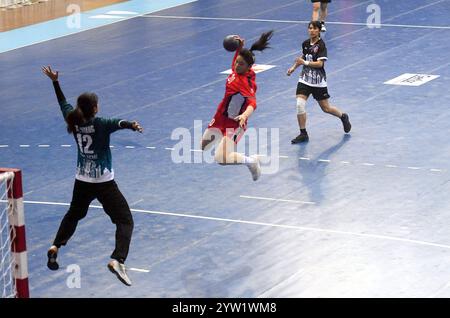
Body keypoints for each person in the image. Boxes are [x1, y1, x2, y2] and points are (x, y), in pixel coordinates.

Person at [42, 66, 143, 286]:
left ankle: (56, 245)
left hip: (82, 180)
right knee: (125, 220)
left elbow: (62, 103)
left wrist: (55, 82)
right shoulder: (101, 124)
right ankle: (118, 259)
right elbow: (120, 123)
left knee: (74, 214)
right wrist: (132, 125)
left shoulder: (73, 119)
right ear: (95, 109)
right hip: (104, 183)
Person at [200, 31, 274, 181]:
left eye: (241, 64)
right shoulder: (236, 69)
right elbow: (237, 60)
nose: (236, 65)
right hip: (220, 117)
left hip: (235, 123)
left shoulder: (246, 83)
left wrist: (245, 115)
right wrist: (240, 48)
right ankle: (236, 151)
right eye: (236, 62)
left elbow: (253, 103)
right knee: (204, 146)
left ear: (249, 67)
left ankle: (250, 161)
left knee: (221, 158)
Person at [287, 21, 351, 144]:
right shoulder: (305, 43)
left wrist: (304, 63)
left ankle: (343, 116)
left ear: (319, 30)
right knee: (300, 105)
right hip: (305, 79)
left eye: (314, 29)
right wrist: (293, 68)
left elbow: (320, 64)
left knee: (326, 108)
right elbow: (304, 56)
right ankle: (303, 133)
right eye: (310, 28)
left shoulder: (321, 45)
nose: (311, 30)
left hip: (318, 82)